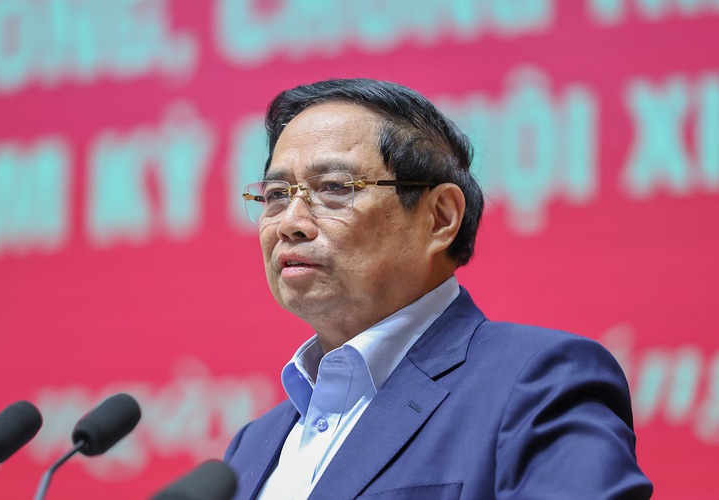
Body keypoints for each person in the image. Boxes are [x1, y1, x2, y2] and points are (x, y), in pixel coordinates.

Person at [224, 78, 652, 499]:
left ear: (440, 217)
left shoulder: (538, 384)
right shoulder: (249, 449)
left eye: (334, 188)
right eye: (276, 194)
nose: (290, 223)